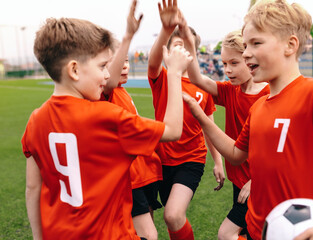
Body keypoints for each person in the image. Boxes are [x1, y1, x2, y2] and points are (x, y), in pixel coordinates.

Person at [182, 0, 313, 239]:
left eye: (256, 43)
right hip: (259, 231)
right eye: (245, 45)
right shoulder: (258, 108)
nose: (246, 53)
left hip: (301, 233)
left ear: (290, 45)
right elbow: (236, 155)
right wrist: (202, 117)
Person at [22, 16, 193, 239]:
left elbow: (33, 188)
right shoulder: (106, 116)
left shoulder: (35, 121)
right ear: (74, 70)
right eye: (103, 66)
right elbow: (172, 130)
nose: (106, 74)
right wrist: (175, 73)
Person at [181, 25, 269, 240]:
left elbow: (275, 147)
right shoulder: (232, 91)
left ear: (250, 59)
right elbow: (197, 80)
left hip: (256, 183)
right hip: (239, 180)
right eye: (224, 64)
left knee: (226, 234)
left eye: (234, 63)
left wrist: (257, 180)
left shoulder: (268, 95)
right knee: (250, 233)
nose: (227, 70)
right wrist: (190, 44)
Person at [147, 0, 225, 239]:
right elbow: (152, 62)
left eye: (185, 47)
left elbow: (208, 126)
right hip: (162, 159)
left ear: (193, 52)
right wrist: (166, 30)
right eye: (175, 45)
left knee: (172, 215)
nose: (181, 51)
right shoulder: (162, 77)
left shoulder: (202, 86)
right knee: (172, 219)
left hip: (191, 159)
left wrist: (218, 161)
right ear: (168, 51)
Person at [101, 1, 161, 239]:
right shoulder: (107, 91)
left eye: (126, 61)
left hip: (144, 173)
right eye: (116, 63)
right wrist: (128, 35)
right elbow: (111, 81)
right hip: (129, 177)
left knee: (145, 227)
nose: (124, 67)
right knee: (149, 234)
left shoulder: (123, 92)